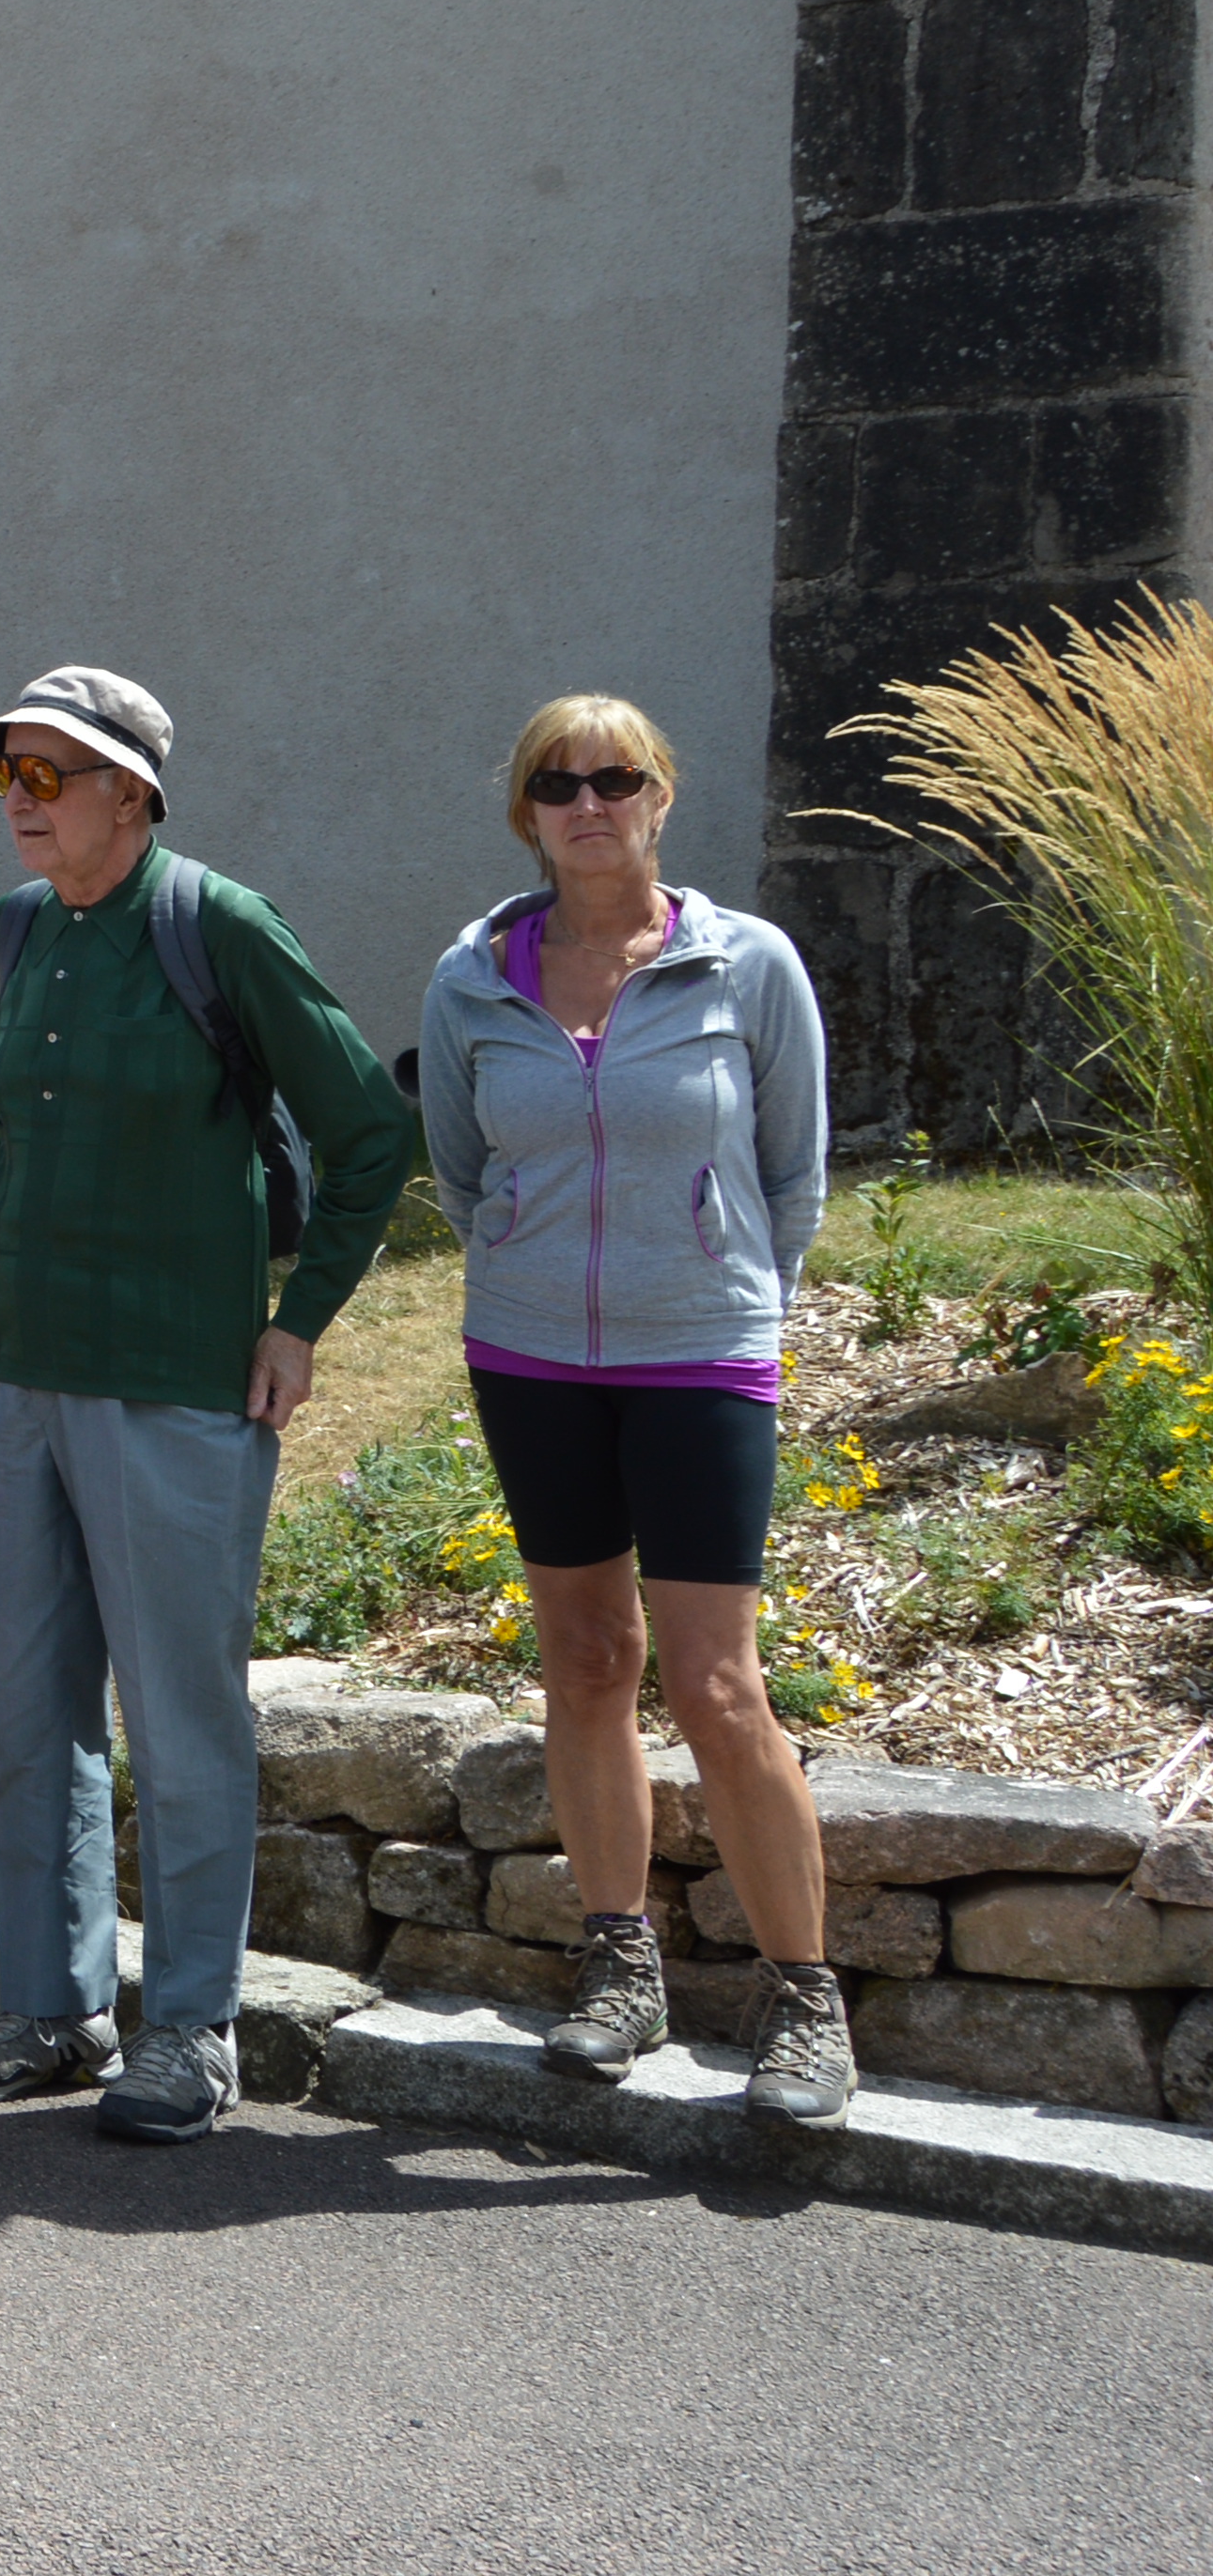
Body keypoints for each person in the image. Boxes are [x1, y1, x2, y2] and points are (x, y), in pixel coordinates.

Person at [0, 668, 414, 2146]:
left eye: (51, 773)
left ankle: (190, 2027)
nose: (20, 794)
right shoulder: (16, 932)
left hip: (179, 1380)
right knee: (25, 1711)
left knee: (180, 1719)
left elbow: (369, 1132)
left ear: (131, 789)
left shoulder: (217, 924)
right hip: (19, 1373)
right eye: (5, 767)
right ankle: (50, 2007)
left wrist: (299, 1321)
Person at [413, 694, 849, 2128]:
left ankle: (805, 2001)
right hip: (534, 1355)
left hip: (700, 1355)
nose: (589, 803)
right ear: (527, 811)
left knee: (718, 1684)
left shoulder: (748, 965)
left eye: (618, 779)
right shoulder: (473, 980)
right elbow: (465, 1173)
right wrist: (530, 1263)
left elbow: (793, 1169)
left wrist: (728, 1289)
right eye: (559, 781)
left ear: (662, 799)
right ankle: (620, 1971)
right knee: (589, 1659)